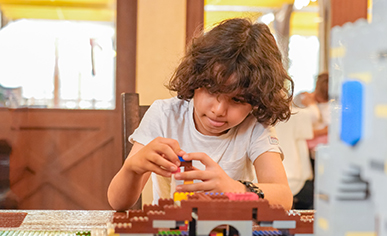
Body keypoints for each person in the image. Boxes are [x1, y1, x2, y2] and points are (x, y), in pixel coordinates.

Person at [107, 18, 294, 211]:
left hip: (229, 235)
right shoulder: (164, 116)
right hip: (171, 234)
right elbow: (117, 202)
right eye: (212, 90)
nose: (219, 110)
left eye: (237, 100)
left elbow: (284, 198)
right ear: (195, 80)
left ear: (257, 101)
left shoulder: (255, 126)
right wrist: (133, 168)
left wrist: (235, 189)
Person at [292, 72, 330, 209]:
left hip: (321, 151)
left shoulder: (332, 105)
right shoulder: (303, 100)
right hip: (307, 150)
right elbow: (303, 127)